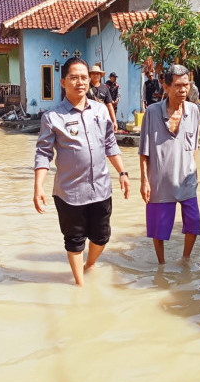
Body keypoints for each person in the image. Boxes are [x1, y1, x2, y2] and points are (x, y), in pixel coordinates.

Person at [34, 57, 130, 286]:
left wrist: (123, 172)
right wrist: (38, 186)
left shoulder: (100, 110)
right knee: (74, 240)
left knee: (102, 236)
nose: (80, 82)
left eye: (84, 78)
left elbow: (110, 144)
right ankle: (79, 285)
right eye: (74, 77)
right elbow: (43, 153)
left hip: (101, 188)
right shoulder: (52, 117)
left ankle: (90, 265)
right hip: (69, 192)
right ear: (63, 82)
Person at [138, 64, 200, 264]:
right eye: (178, 85)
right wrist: (144, 180)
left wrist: (196, 171)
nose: (183, 90)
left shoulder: (194, 111)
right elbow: (143, 149)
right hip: (160, 179)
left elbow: (195, 145)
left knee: (193, 223)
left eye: (186, 85)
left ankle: (185, 259)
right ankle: (161, 265)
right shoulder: (152, 112)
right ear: (166, 86)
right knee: (159, 228)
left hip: (186, 178)